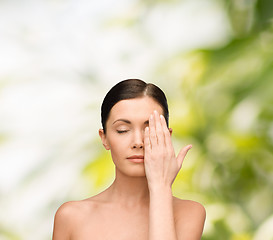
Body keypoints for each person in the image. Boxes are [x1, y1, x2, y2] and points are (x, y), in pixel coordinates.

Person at [52, 79, 206, 240]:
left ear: (166, 136)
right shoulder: (71, 217)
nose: (138, 142)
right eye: (123, 130)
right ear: (104, 138)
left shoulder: (189, 213)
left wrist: (161, 187)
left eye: (149, 130)